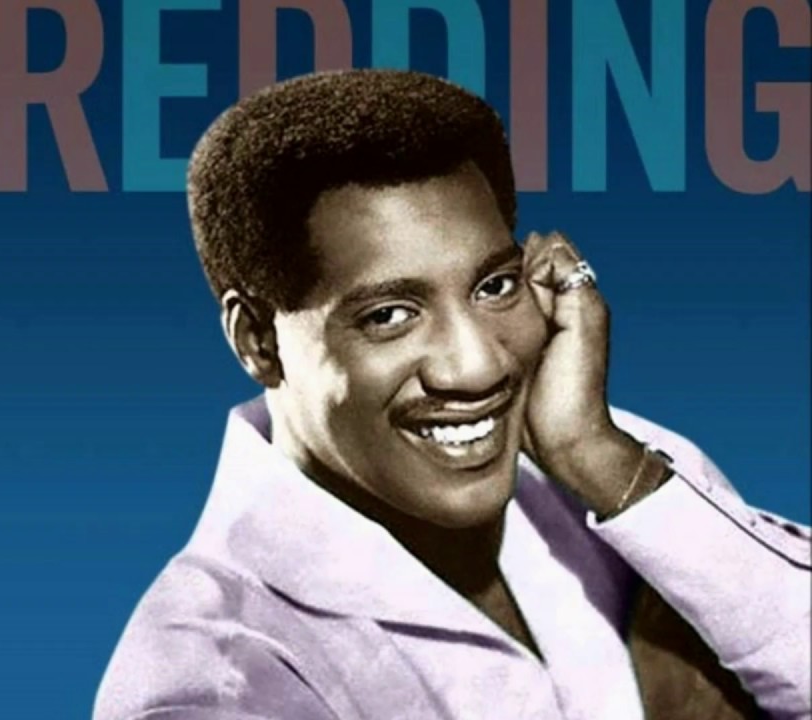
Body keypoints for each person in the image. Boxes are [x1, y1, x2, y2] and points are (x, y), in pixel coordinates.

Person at [93, 69, 811, 720]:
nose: (476, 368)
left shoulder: (619, 476)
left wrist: (598, 457)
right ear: (257, 339)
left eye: (494, 286)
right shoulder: (212, 684)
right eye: (388, 316)